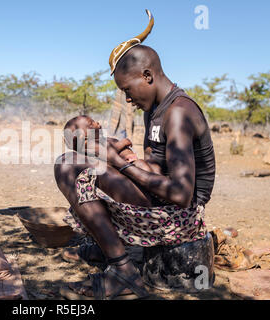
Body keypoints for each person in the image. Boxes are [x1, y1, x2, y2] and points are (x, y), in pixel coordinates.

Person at [54, 10, 215, 300]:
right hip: (158, 201)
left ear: (148, 75)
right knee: (72, 163)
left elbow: (181, 194)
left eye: (127, 89)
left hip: (181, 216)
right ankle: (117, 258)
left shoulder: (179, 113)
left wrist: (119, 164)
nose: (128, 98)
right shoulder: (155, 110)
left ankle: (123, 272)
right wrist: (112, 156)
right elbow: (153, 166)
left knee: (69, 167)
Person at [63, 115, 159, 173]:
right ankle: (154, 187)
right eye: (91, 124)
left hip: (129, 161)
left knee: (153, 167)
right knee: (142, 165)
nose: (97, 123)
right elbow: (107, 153)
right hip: (124, 163)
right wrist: (123, 142)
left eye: (94, 121)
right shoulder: (89, 145)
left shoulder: (97, 139)